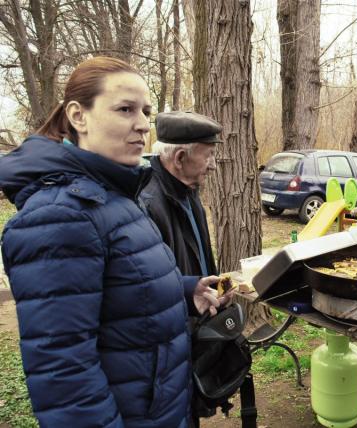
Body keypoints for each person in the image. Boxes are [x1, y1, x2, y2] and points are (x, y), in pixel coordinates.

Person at [0, 57, 229, 427]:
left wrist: (188, 291)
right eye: (125, 109)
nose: (142, 124)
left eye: (145, 112)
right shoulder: (60, 216)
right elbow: (65, 377)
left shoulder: (115, 196)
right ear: (79, 116)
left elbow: (122, 289)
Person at [141, 111, 221, 278]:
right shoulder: (147, 207)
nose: (213, 165)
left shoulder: (189, 190)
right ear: (180, 158)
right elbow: (155, 284)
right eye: (209, 155)